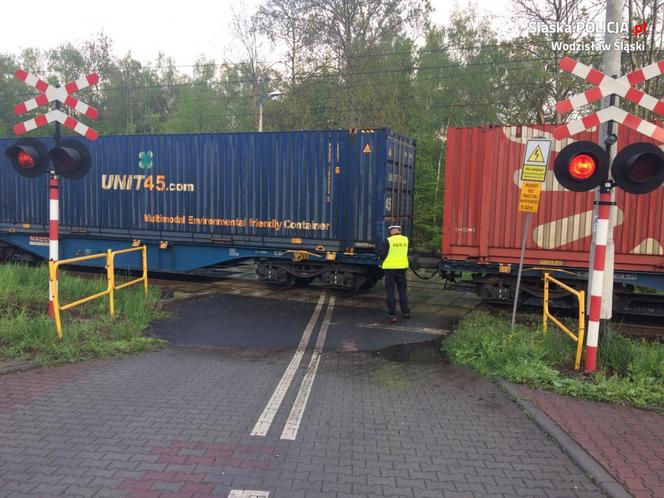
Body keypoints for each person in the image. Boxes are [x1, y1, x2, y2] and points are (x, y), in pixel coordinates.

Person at [379, 224, 410, 323]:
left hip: (390, 269)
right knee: (402, 291)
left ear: (391, 231)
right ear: (399, 231)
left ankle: (392, 314)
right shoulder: (405, 239)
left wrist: (378, 254)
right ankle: (406, 312)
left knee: (391, 291)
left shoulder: (388, 240)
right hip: (402, 268)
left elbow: (383, 255)